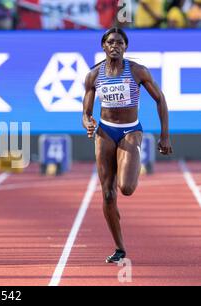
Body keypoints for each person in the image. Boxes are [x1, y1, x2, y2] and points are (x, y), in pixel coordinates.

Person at [82, 28, 172, 263]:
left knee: (127, 188)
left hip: (131, 130)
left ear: (125, 47)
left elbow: (160, 99)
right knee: (108, 194)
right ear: (103, 45)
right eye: (111, 42)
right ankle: (120, 247)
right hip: (105, 131)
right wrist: (88, 123)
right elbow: (85, 113)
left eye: (120, 43)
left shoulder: (137, 71)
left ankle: (132, 160)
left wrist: (165, 135)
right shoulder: (93, 75)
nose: (115, 46)